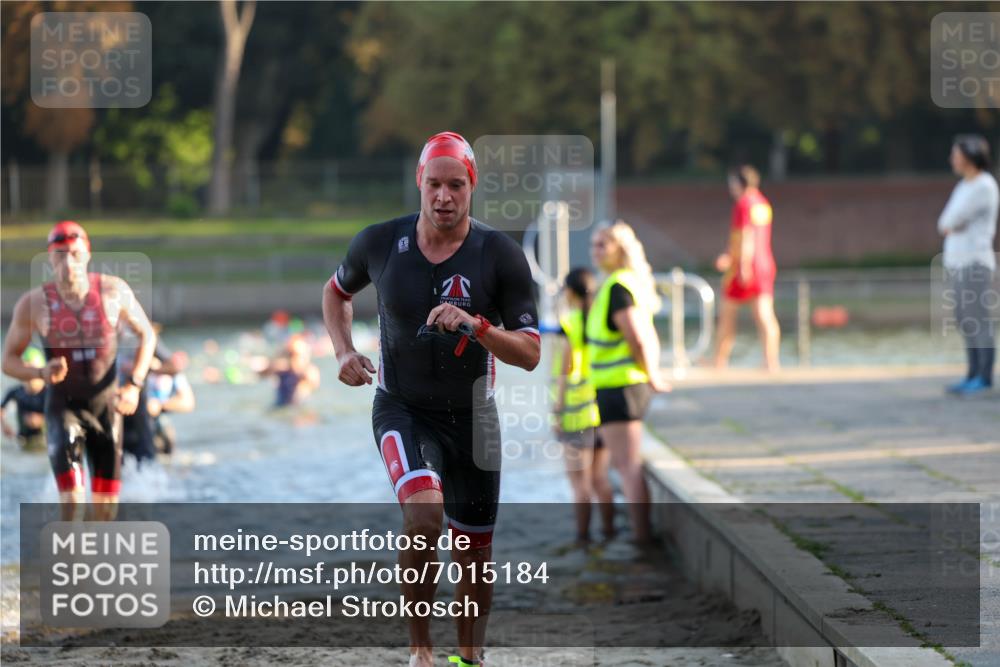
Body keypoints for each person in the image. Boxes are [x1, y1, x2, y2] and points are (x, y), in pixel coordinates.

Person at [322, 131, 540, 667]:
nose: (445, 197)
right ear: (419, 182)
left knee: (474, 554)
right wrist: (343, 352)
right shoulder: (377, 242)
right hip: (402, 408)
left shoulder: (499, 254)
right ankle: (421, 651)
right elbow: (336, 292)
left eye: (456, 186)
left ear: (473, 187)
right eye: (435, 184)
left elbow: (531, 353)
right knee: (424, 514)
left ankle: (469, 659)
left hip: (474, 420)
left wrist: (478, 325)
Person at [1, 221, 156, 520]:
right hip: (63, 409)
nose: (68, 262)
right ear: (49, 258)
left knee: (105, 512)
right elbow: (8, 361)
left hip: (106, 410)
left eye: (74, 253)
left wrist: (134, 385)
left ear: (87, 254)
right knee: (72, 504)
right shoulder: (33, 303)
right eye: (60, 254)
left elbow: (147, 335)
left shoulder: (114, 291)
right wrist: (41, 372)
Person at [587, 220, 671, 545]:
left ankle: (641, 537)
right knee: (627, 464)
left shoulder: (618, 287)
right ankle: (640, 533)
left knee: (627, 466)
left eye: (602, 245)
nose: (595, 251)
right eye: (594, 244)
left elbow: (637, 337)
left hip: (620, 387)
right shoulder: (617, 284)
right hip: (616, 386)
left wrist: (652, 375)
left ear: (619, 249)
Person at [550, 267, 614, 544]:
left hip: (576, 416)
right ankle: (611, 532)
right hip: (602, 411)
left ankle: (582, 538)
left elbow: (565, 372)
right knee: (600, 478)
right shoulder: (600, 319)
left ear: (570, 293)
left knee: (580, 483)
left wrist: (558, 412)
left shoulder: (571, 323)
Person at [938, 134, 999, 395]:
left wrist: (953, 226)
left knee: (977, 319)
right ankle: (972, 373)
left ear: (970, 156)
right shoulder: (963, 186)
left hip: (975, 262)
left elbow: (955, 219)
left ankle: (984, 377)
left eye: (956, 154)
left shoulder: (984, 185)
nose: (952, 159)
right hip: (957, 262)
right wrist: (951, 226)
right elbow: (944, 223)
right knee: (964, 318)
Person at [713, 165, 782, 372]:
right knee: (765, 314)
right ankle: (771, 361)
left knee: (727, 314)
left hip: (744, 266)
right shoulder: (762, 204)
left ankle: (719, 361)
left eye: (732, 183)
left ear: (739, 183)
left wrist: (740, 264)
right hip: (765, 264)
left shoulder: (743, 204)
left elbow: (745, 236)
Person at [1, 347, 48, 451]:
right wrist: (4, 426)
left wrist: (42, 420)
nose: (29, 377)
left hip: (44, 442)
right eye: (25, 372)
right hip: (22, 442)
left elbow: (64, 415)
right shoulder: (17, 392)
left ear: (42, 371)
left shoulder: (49, 393)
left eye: (32, 372)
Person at [260, 334, 320, 407]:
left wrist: (299, 373)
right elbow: (262, 373)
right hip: (280, 405)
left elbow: (313, 382)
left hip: (299, 407)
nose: (297, 359)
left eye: (299, 355)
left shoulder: (309, 371)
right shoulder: (282, 368)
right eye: (292, 355)